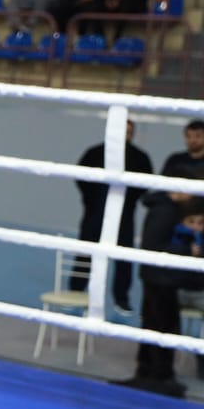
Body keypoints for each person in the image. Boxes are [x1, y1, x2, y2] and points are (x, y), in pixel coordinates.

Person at [118, 196, 204, 398]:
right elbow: (154, 245)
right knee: (162, 326)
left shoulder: (165, 209)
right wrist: (186, 251)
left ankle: (151, 374)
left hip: (165, 279)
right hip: (164, 279)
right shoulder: (166, 212)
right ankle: (159, 376)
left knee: (156, 325)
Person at [68, 119, 151, 314]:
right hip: (94, 214)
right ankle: (75, 292)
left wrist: (127, 201)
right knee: (85, 252)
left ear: (133, 134)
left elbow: (144, 183)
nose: (125, 136)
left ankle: (121, 299)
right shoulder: (95, 152)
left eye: (128, 132)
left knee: (123, 258)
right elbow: (81, 177)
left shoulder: (140, 158)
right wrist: (92, 199)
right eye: (122, 131)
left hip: (124, 217)